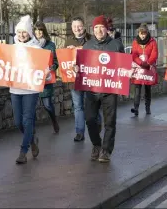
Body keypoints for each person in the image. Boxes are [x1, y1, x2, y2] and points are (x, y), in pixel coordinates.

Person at [0, 15, 47, 164]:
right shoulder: (12, 48)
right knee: (18, 122)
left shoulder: (36, 48)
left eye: (24, 32)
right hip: (15, 89)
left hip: (30, 89)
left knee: (27, 119)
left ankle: (23, 151)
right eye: (19, 32)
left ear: (29, 33)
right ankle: (32, 140)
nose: (21, 35)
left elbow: (43, 67)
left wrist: (46, 71)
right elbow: (5, 66)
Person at [82, 15, 124, 162]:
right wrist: (77, 69)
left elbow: (122, 66)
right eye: (96, 28)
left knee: (110, 122)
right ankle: (96, 145)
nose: (99, 30)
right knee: (90, 119)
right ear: (93, 30)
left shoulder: (116, 45)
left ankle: (106, 150)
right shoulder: (87, 46)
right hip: (92, 90)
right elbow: (81, 66)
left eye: (102, 27)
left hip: (110, 90)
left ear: (106, 29)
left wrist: (127, 72)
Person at [64, 16, 101, 142]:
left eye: (79, 26)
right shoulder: (68, 40)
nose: (77, 28)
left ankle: (98, 125)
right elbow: (65, 60)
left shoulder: (92, 39)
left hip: (90, 79)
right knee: (78, 106)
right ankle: (80, 132)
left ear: (84, 26)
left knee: (92, 104)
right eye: (74, 26)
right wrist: (67, 53)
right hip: (74, 79)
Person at [33, 21, 60, 133]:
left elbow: (55, 61)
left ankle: (54, 121)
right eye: (36, 30)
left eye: (40, 30)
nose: (38, 32)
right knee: (31, 107)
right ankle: (32, 129)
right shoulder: (30, 44)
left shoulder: (50, 45)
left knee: (47, 105)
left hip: (46, 79)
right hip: (32, 79)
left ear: (44, 31)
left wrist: (53, 67)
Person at [131, 23, 158, 116]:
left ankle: (147, 108)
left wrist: (148, 63)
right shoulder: (135, 42)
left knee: (147, 88)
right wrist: (140, 63)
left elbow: (154, 54)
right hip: (139, 67)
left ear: (147, 33)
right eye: (141, 33)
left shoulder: (152, 42)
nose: (142, 35)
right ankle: (136, 108)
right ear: (138, 33)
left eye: (144, 33)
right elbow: (133, 54)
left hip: (148, 67)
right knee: (137, 88)